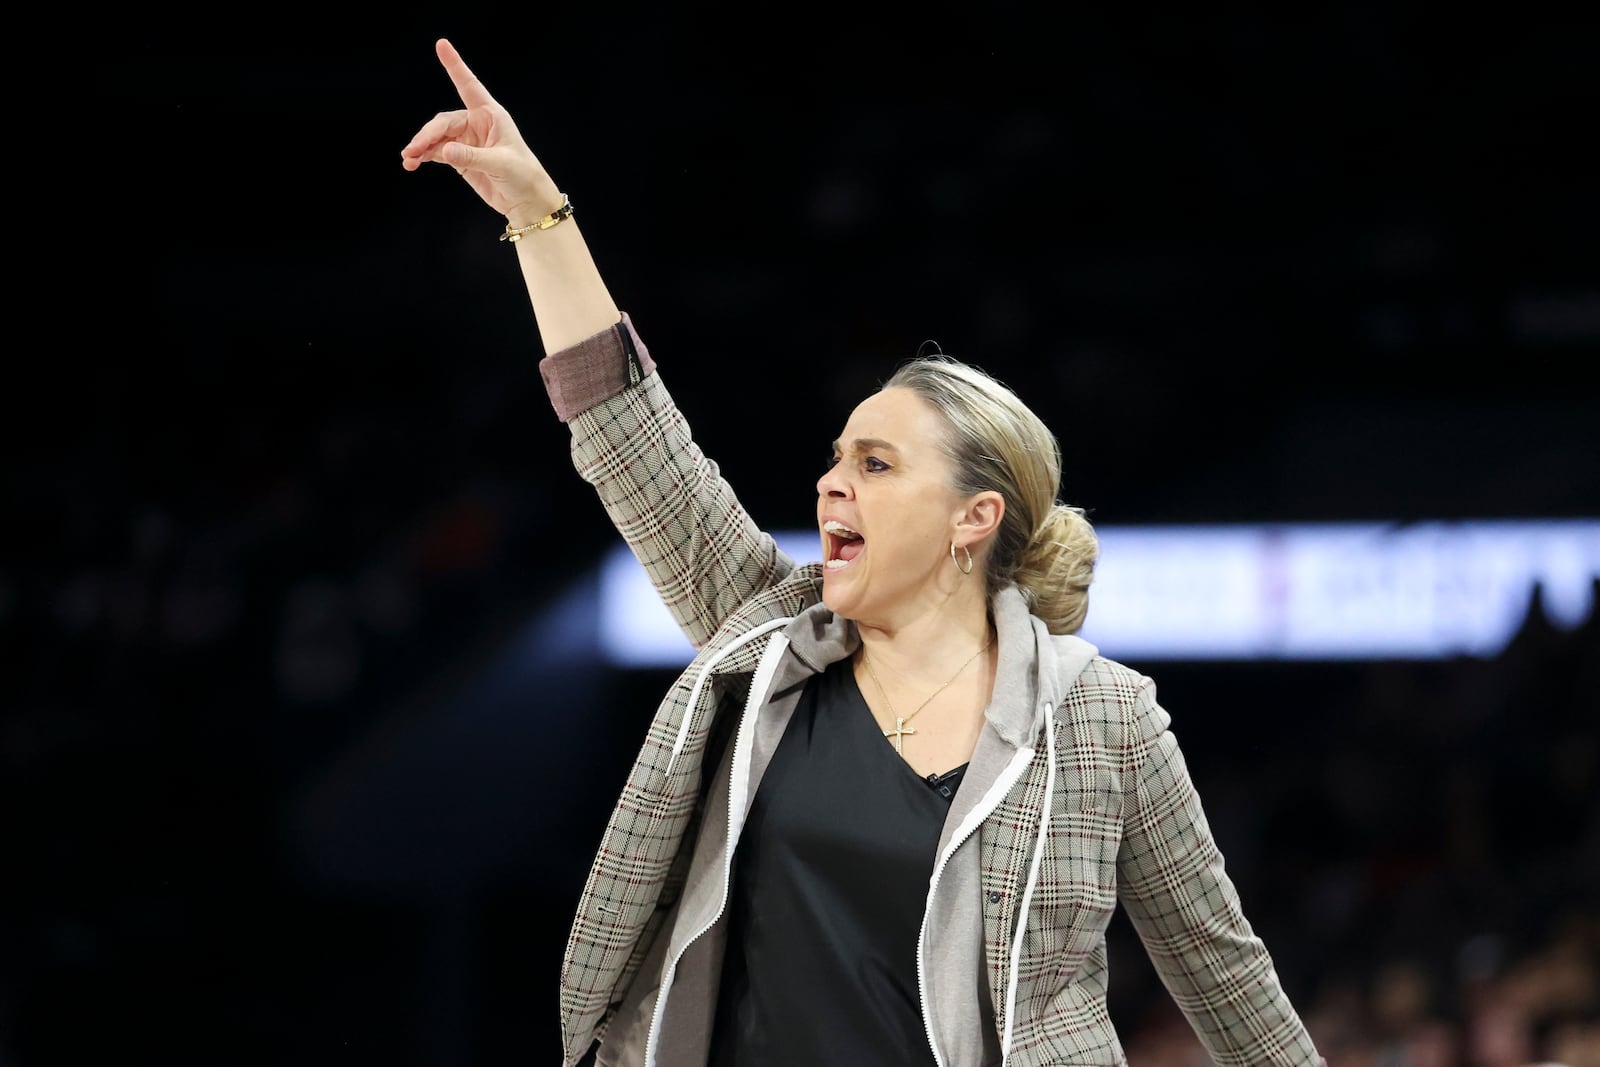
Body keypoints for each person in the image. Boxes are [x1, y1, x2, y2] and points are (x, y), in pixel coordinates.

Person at [401, 37, 1327, 1067]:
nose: (832, 481)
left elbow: (1224, 974)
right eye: (836, 457)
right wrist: (539, 215)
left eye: (877, 464)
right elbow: (630, 434)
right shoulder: (760, 634)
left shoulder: (1104, 719)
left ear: (971, 518)